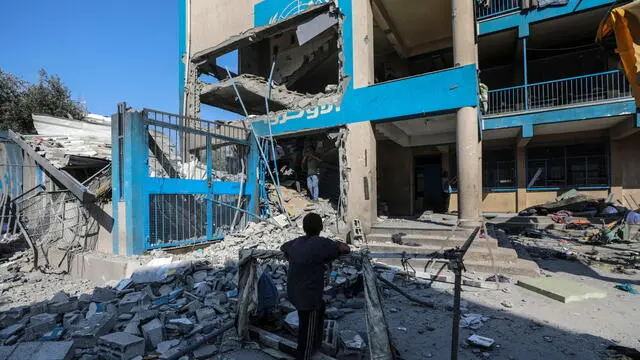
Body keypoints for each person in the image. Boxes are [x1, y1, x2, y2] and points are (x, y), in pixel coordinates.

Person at [280, 213, 350, 360]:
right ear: (321, 228)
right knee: (307, 330)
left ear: (304, 228)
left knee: (320, 307)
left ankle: (316, 344)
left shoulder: (297, 242)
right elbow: (344, 248)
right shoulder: (321, 243)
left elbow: (283, 247)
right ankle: (305, 354)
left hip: (294, 292)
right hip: (309, 298)